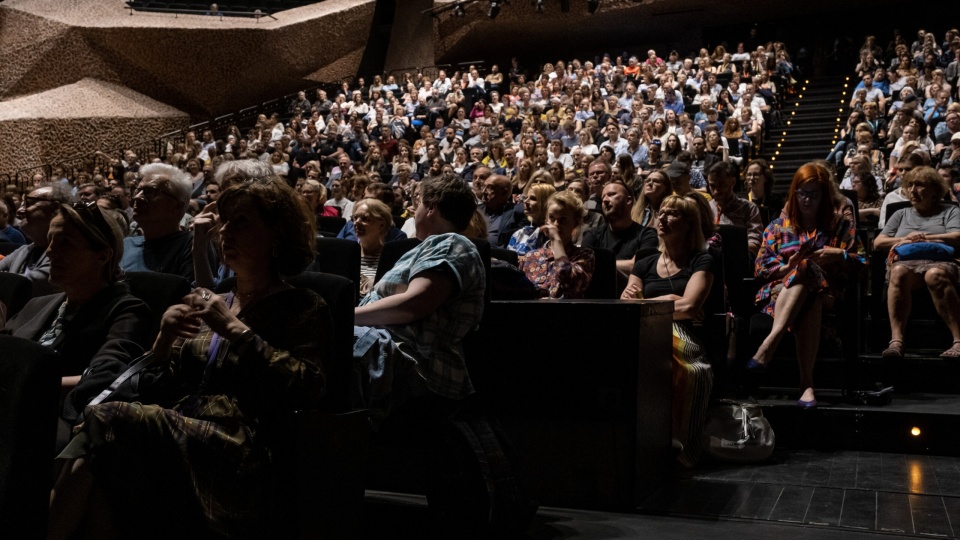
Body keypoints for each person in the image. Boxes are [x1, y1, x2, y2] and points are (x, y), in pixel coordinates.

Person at [48, 177, 332, 538]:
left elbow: (309, 386)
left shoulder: (302, 305)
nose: (225, 231)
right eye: (224, 221)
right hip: (182, 426)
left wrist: (237, 331)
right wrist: (164, 341)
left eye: (241, 222)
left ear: (278, 233)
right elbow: (164, 384)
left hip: (241, 443)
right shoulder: (215, 300)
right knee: (105, 459)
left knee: (106, 420)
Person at [354, 172, 485, 420]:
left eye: (419, 204)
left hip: (412, 363)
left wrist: (346, 318)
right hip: (386, 352)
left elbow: (414, 304)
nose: (414, 212)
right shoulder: (428, 246)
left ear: (432, 208)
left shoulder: (453, 243)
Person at [2, 202, 151, 414]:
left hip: (51, 420)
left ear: (102, 255)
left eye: (66, 243)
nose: (51, 251)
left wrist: (21, 388)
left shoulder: (127, 311)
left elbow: (105, 378)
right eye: (50, 240)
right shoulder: (38, 304)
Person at [746, 163, 866, 408]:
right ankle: (806, 385)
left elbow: (862, 262)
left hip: (830, 291)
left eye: (814, 194)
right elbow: (760, 268)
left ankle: (769, 344)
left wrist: (838, 254)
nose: (807, 199)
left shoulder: (839, 225)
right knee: (807, 282)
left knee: (809, 272)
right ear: (794, 193)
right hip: (780, 293)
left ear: (824, 196)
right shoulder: (779, 226)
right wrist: (787, 267)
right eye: (802, 193)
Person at [621, 195, 714, 467]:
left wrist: (647, 302)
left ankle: (682, 449)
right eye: (661, 213)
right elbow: (626, 304)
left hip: (683, 333)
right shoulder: (645, 262)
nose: (662, 219)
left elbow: (690, 306)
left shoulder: (701, 259)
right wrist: (671, 299)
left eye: (671, 214)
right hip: (645, 330)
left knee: (691, 372)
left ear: (688, 224)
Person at [874, 167, 960, 359]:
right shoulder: (900, 214)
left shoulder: (950, 210)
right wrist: (903, 240)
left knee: (934, 275)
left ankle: (958, 340)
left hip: (939, 261)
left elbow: (957, 235)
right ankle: (896, 341)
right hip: (906, 262)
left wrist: (926, 237)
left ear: (935, 190)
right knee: (898, 272)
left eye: (920, 185)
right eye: (910, 185)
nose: (913, 190)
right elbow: (878, 242)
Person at [0, 182, 74, 297]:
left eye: (29, 203)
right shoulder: (24, 250)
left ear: (56, 208)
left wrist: (7, 276)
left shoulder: (65, 254)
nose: (19, 210)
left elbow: (20, 287)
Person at [519, 190, 595, 298]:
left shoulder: (584, 255)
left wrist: (556, 240)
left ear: (575, 223)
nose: (556, 224)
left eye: (563, 220)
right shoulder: (530, 257)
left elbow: (571, 284)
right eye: (551, 218)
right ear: (546, 220)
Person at [353, 198, 393, 295]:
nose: (356, 222)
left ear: (381, 225)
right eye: (355, 218)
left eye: (364, 219)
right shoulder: (349, 253)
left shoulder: (390, 258)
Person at [507, 182, 556, 255]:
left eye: (533, 198)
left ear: (546, 202)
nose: (525, 201)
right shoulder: (520, 233)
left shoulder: (554, 235)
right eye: (526, 197)